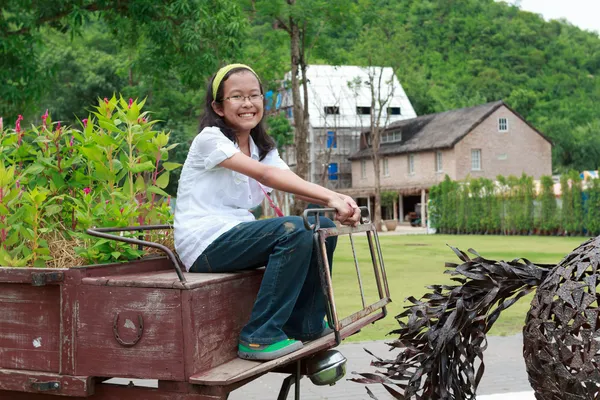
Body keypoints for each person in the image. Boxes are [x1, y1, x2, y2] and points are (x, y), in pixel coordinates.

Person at [174, 64, 360, 361]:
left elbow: (293, 184)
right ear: (218, 107)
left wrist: (339, 199)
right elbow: (267, 176)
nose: (247, 103)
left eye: (254, 95)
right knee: (294, 230)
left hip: (235, 236)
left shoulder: (261, 147)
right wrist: (330, 196)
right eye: (236, 97)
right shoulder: (210, 139)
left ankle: (307, 324)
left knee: (321, 226)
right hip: (204, 243)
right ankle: (259, 336)